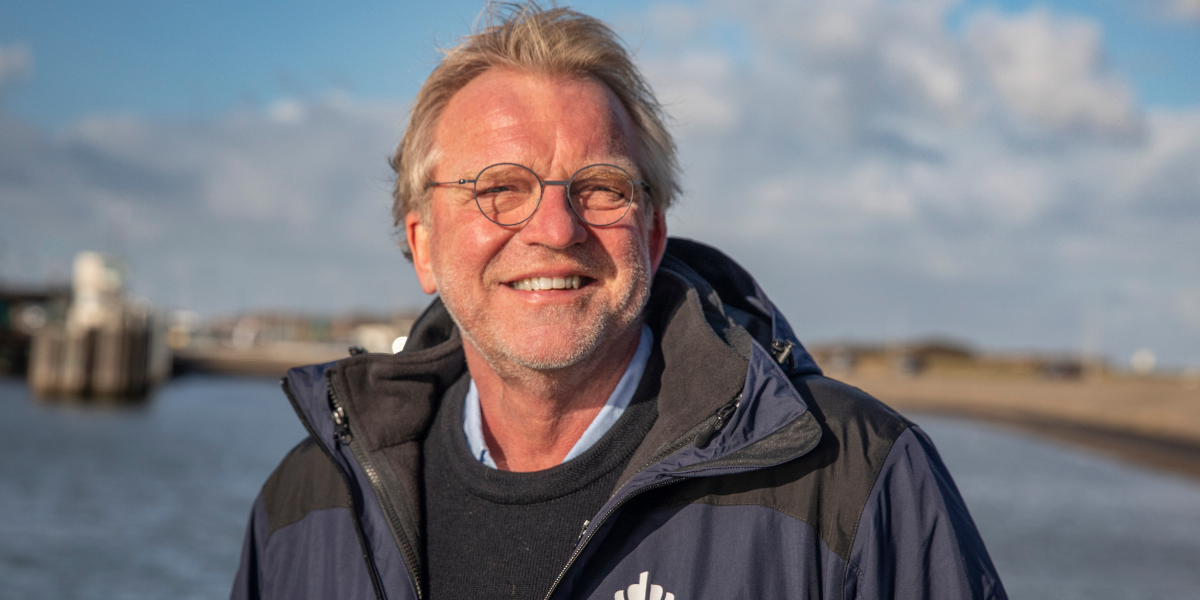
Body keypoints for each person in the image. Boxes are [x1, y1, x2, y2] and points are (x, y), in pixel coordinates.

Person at [231, 4, 1007, 599]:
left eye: (599, 188)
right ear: (424, 243)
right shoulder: (308, 506)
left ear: (655, 231)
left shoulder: (853, 479)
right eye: (499, 189)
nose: (556, 228)